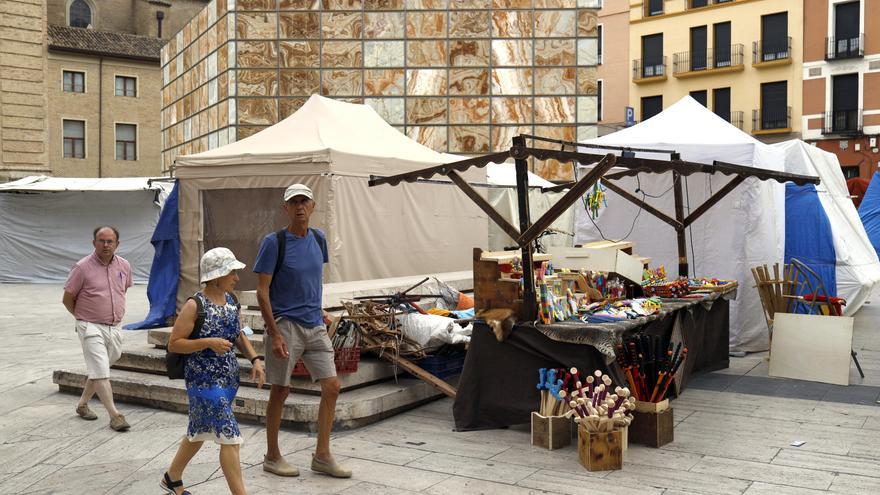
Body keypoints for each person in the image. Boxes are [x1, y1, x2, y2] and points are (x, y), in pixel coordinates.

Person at [254, 183, 351, 479]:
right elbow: (262, 292)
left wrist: (320, 310)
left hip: (314, 324)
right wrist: (275, 334)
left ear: (312, 207)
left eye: (304, 202)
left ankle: (322, 455)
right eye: (293, 202)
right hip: (285, 325)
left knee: (332, 386)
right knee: (280, 390)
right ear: (285, 208)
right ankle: (272, 455)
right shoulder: (274, 242)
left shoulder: (319, 239)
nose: (299, 207)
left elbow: (311, 280)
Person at [160, 247, 266, 495]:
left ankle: (172, 477)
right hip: (202, 381)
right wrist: (207, 342)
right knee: (230, 436)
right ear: (217, 275)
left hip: (228, 378)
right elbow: (174, 343)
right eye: (232, 272)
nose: (236, 278)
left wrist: (255, 359)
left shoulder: (232, 301)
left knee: (201, 428)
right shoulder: (194, 305)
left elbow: (238, 334)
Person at [63, 226, 132, 432]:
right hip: (89, 324)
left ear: (117, 244)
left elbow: (124, 289)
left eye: (110, 241)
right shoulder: (82, 267)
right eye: (101, 241)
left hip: (114, 326)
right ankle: (115, 415)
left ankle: (82, 405)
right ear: (94, 243)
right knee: (101, 369)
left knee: (101, 367)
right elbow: (67, 298)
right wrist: (81, 318)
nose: (105, 245)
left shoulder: (124, 265)